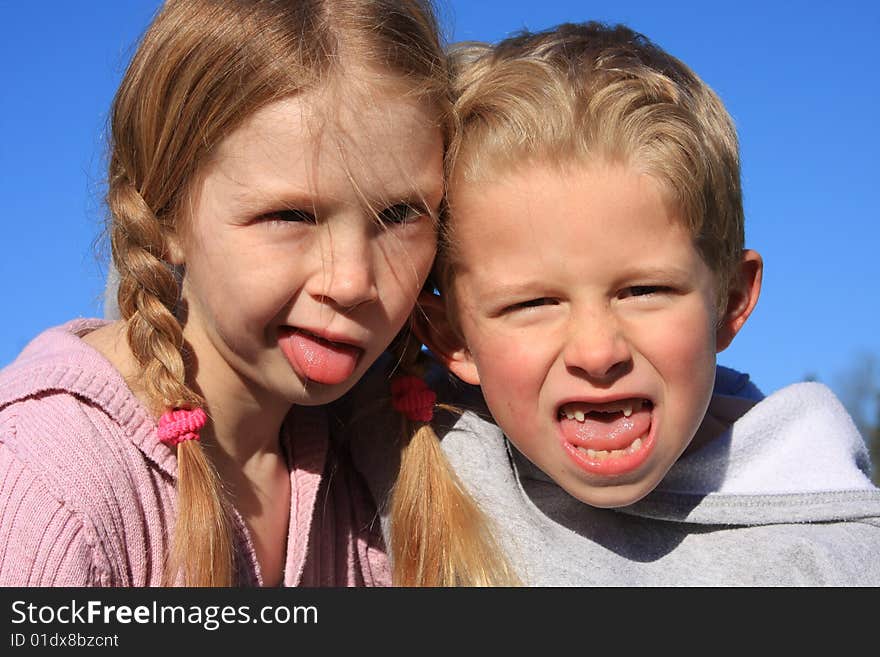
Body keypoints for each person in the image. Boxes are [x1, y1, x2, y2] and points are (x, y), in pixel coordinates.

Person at [0, 0, 511, 587]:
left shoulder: (373, 449)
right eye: (289, 215)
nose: (351, 283)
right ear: (162, 214)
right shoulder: (47, 482)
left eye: (398, 214)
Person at [374, 21, 880, 585]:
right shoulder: (389, 465)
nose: (596, 351)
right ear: (450, 337)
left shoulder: (841, 560)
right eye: (532, 303)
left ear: (731, 299)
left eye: (644, 291)